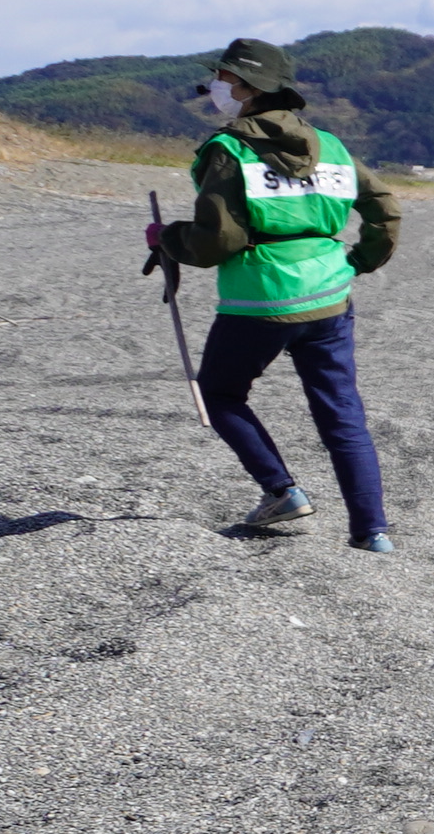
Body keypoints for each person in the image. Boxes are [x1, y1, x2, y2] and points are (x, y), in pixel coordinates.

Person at [143, 37, 401, 554]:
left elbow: (219, 241)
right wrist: (358, 261)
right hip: (330, 295)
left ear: (247, 87)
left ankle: (282, 491)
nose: (214, 86)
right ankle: (372, 533)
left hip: (258, 299)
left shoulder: (229, 148)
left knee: (218, 393)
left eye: (221, 77)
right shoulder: (330, 145)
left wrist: (168, 238)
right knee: (341, 413)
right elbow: (385, 210)